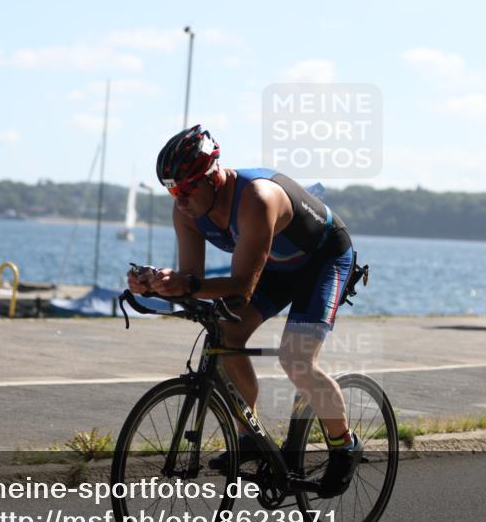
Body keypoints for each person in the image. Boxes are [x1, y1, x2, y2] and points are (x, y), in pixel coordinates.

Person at [127, 125, 361, 497]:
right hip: (276, 267)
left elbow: (241, 287)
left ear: (213, 176)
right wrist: (155, 283)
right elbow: (193, 280)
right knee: (228, 333)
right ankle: (249, 437)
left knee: (296, 359)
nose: (180, 199)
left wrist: (184, 285)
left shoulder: (257, 198)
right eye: (172, 190)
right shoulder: (186, 211)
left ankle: (344, 445)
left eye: (186, 189)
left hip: (323, 261)